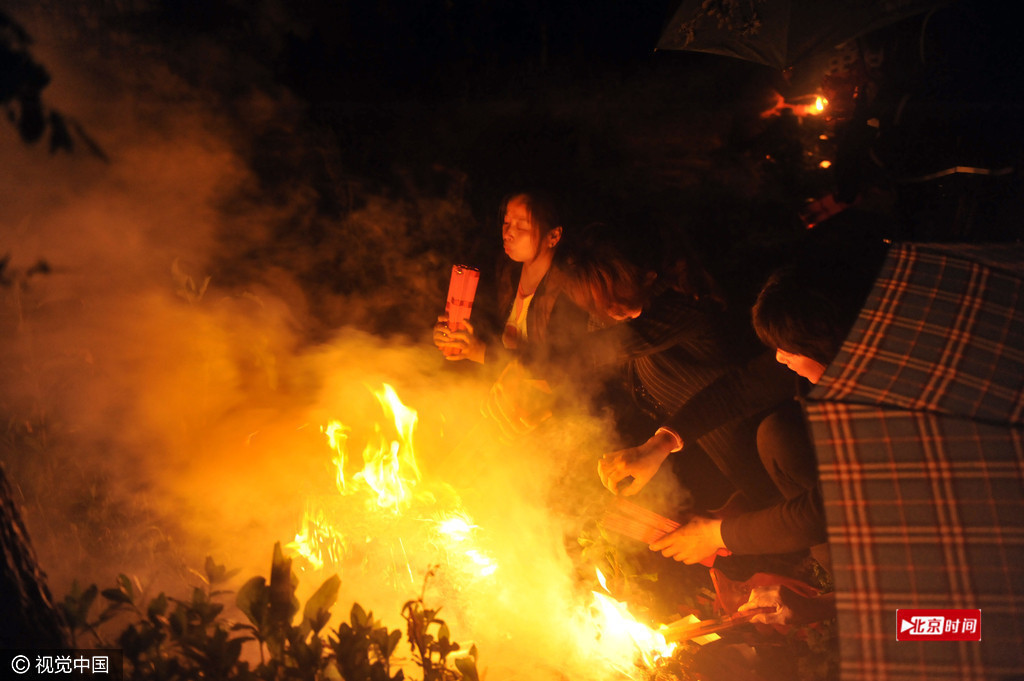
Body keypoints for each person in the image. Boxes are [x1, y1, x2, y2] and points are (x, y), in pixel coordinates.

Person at [566, 236, 795, 513]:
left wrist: (529, 371)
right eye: (597, 305)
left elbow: (603, 348)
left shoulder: (684, 303)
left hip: (747, 439)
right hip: (693, 444)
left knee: (782, 509)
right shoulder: (624, 311)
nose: (607, 313)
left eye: (612, 301)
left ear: (647, 276)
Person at [433, 191, 590, 440]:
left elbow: (558, 370)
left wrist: (480, 351)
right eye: (506, 223)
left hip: (540, 420)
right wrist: (456, 336)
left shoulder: (571, 290)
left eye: (522, 226)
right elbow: (494, 333)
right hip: (496, 401)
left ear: (553, 236)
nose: (508, 232)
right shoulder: (507, 270)